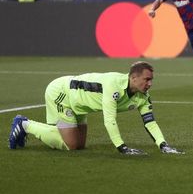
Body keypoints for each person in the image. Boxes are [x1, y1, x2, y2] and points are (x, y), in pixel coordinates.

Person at [8, 61, 183, 155]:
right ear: (134, 78)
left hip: (81, 105)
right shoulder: (113, 85)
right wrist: (122, 147)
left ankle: (42, 128)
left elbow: (150, 122)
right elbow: (109, 119)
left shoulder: (143, 96)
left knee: (80, 145)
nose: (150, 83)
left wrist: (163, 145)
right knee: (71, 146)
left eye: (151, 79)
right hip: (62, 93)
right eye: (147, 79)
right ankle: (24, 124)